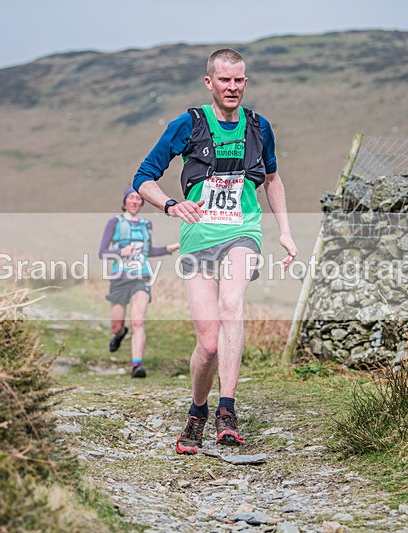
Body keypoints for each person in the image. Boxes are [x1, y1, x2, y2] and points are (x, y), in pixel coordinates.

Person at [132, 48, 298, 453]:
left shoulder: (259, 127)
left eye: (239, 80)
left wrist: (285, 232)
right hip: (197, 239)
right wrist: (170, 204)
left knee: (231, 306)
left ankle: (228, 409)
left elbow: (272, 180)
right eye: (225, 80)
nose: (233, 87)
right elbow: (143, 177)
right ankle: (197, 412)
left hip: (243, 231)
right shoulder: (188, 124)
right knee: (207, 342)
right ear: (209, 82)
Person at [98, 186, 179, 378]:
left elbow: (148, 251)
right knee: (117, 326)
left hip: (141, 277)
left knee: (138, 321)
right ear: (125, 201)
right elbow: (102, 252)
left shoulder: (146, 224)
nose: (134, 201)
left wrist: (169, 248)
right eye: (131, 198)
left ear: (142, 202)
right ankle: (119, 334)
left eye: (138, 198)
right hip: (119, 277)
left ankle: (137, 366)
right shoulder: (114, 222)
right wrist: (120, 252)